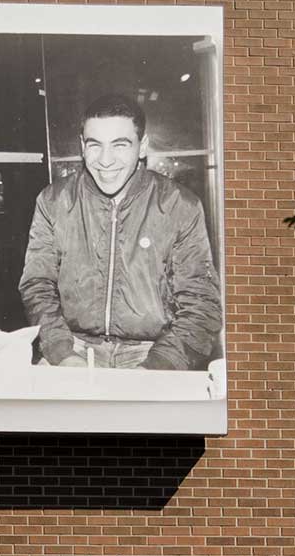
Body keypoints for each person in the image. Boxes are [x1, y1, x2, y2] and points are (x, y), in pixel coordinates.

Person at [18, 92, 221, 371]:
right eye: (95, 145)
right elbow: (37, 286)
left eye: (120, 145)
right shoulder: (53, 201)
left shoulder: (180, 206)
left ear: (142, 147)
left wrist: (157, 367)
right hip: (72, 345)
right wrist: (61, 352)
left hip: (154, 351)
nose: (105, 160)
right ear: (82, 146)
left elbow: (201, 305)